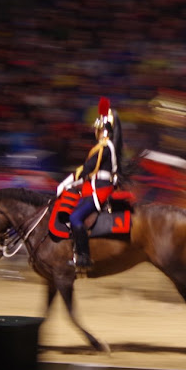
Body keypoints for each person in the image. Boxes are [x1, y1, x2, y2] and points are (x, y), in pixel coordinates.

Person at [68, 97, 123, 271]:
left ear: (103, 131)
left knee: (75, 217)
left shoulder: (104, 147)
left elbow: (90, 167)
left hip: (100, 189)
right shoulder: (104, 147)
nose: (96, 132)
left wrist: (70, 179)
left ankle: (84, 257)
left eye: (98, 129)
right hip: (94, 186)